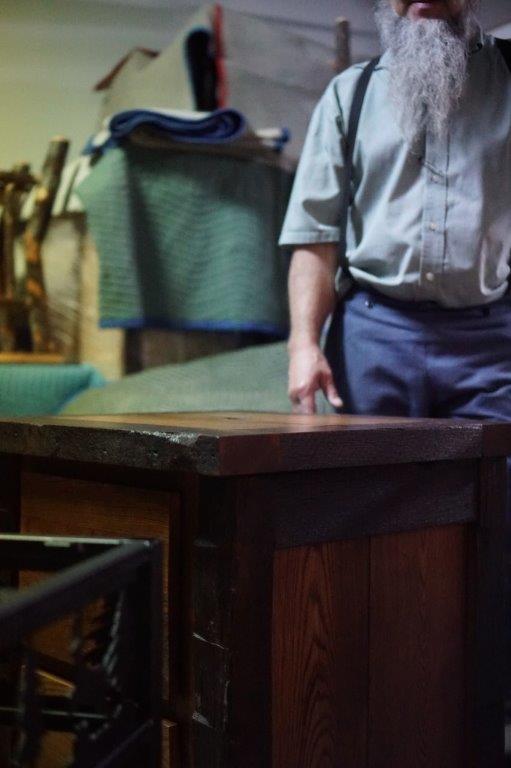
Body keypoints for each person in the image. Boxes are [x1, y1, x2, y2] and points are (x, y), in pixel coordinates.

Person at [280, 0, 511, 433]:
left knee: (495, 492)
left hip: (490, 346)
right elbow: (316, 239)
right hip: (373, 340)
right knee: (371, 491)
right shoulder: (349, 95)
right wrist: (303, 346)